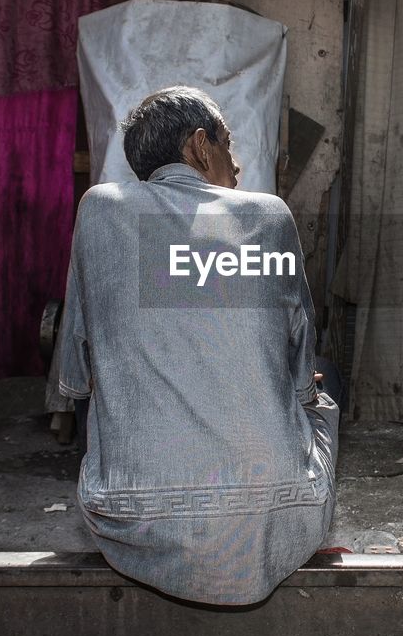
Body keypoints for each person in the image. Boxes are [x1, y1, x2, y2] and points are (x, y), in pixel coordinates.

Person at [55, 85, 338, 605]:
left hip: (129, 515)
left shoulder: (98, 210)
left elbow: (73, 373)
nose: (237, 164)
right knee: (321, 386)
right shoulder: (267, 216)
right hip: (273, 512)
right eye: (228, 146)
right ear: (201, 145)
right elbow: (299, 353)